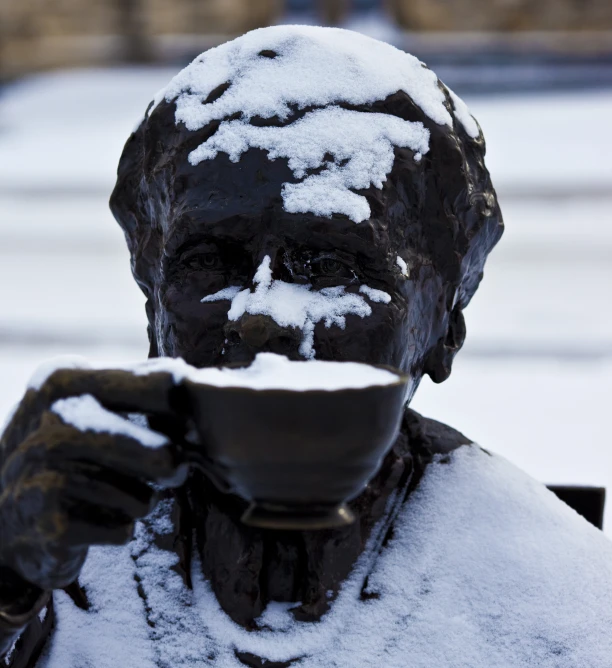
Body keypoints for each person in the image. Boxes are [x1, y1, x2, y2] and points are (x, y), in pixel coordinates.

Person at [1, 25, 611, 668]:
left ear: (444, 325)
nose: (261, 315)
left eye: (330, 268)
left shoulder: (561, 604)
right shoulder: (60, 539)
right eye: (208, 262)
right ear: (153, 307)